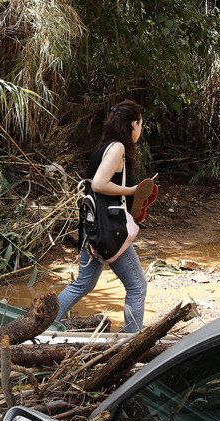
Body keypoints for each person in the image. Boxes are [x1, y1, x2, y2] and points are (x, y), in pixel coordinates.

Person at [55, 100, 151, 333]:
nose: (140, 130)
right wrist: (131, 191)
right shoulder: (118, 148)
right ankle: (133, 343)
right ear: (134, 124)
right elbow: (99, 184)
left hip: (94, 227)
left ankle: (40, 325)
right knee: (137, 286)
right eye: (141, 125)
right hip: (108, 231)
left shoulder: (105, 147)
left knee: (83, 283)